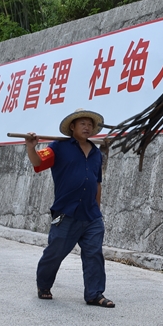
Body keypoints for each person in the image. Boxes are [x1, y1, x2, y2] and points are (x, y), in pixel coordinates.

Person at [23, 109, 114, 308]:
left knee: (94, 254)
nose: (87, 127)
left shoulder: (96, 153)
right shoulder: (58, 147)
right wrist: (31, 147)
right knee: (55, 252)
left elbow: (97, 183)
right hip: (66, 212)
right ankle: (44, 285)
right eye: (82, 123)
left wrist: (97, 211)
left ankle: (94, 293)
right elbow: (38, 162)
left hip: (91, 215)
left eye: (90, 124)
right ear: (72, 127)